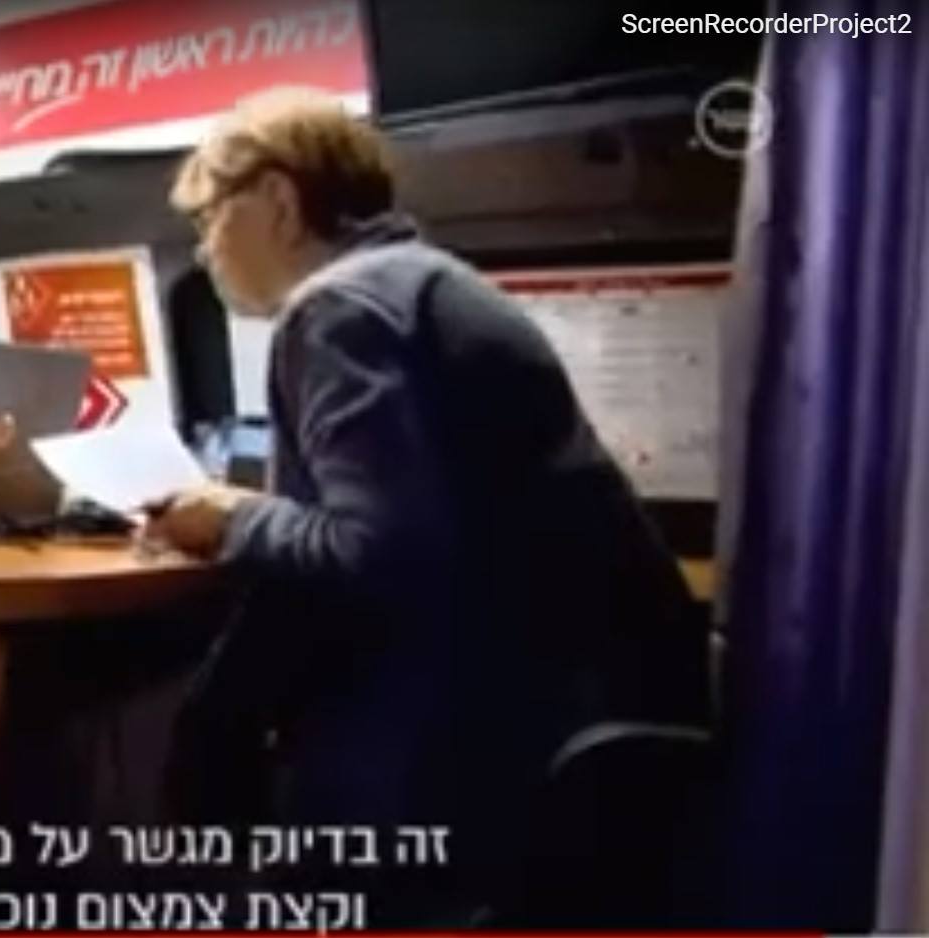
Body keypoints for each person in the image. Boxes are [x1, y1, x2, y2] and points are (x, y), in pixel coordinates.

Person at [146, 88, 711, 922]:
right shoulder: (430, 284)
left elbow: (376, 552)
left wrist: (230, 521)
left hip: (484, 748)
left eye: (208, 217)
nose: (203, 249)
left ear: (278, 200)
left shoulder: (339, 309)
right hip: (583, 711)